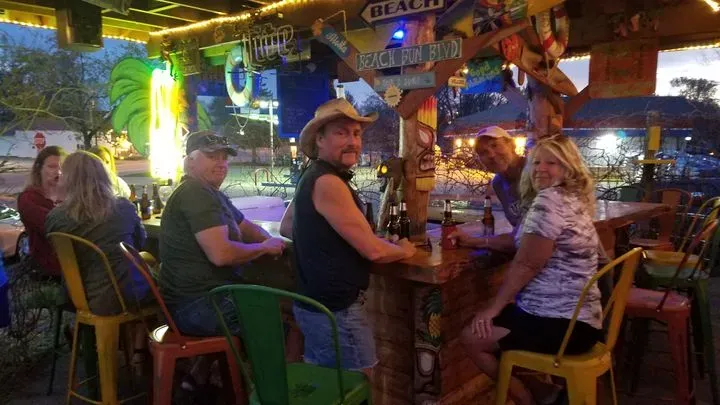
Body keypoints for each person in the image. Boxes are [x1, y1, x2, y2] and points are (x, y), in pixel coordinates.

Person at [460, 135, 604, 405]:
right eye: (536, 162)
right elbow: (524, 239)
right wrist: (475, 242)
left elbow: (528, 263)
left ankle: (533, 399)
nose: (540, 169)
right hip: (582, 317)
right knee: (497, 326)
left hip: (563, 325)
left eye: (552, 163)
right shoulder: (570, 197)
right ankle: (545, 394)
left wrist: (493, 307)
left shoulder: (548, 201)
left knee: (472, 338)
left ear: (569, 167)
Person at [279, 98, 416, 376]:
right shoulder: (329, 182)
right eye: (341, 133)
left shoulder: (312, 174)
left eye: (356, 134)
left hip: (313, 305)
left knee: (328, 383)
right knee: (356, 384)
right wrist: (405, 249)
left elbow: (287, 227)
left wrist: (334, 239)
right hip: (336, 311)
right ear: (319, 139)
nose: (353, 141)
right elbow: (374, 251)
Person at [159, 130, 286, 337]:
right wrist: (263, 248)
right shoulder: (195, 192)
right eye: (212, 157)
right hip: (198, 305)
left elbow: (245, 227)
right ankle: (275, 358)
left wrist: (270, 241)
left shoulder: (210, 193)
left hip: (201, 299)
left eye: (224, 158)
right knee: (290, 317)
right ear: (190, 161)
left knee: (284, 304)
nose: (221, 164)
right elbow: (221, 255)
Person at [45, 151, 151, 315]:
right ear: (104, 176)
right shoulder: (122, 207)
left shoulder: (55, 218)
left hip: (77, 298)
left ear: (67, 180)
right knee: (168, 285)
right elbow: (139, 243)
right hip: (125, 297)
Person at [450, 126, 525, 252]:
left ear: (511, 145)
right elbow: (518, 233)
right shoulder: (498, 183)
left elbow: (526, 237)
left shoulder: (535, 172)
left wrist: (473, 241)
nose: (491, 155)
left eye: (495, 145)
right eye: (483, 152)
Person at [17, 146, 66, 278]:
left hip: (74, 265)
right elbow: (52, 226)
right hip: (47, 270)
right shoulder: (29, 198)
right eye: (52, 167)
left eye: (62, 167)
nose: (58, 172)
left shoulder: (71, 194)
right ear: (39, 168)